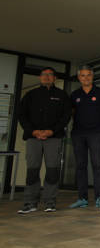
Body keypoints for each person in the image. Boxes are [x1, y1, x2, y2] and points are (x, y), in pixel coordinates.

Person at [17, 67, 71, 214]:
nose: (46, 77)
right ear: (40, 78)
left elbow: (66, 116)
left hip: (53, 137)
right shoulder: (30, 95)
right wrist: (33, 131)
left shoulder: (62, 95)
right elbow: (21, 115)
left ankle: (50, 202)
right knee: (32, 171)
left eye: (50, 75)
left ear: (55, 78)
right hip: (33, 138)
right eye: (43, 75)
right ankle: (30, 203)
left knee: (52, 170)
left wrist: (51, 131)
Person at [69, 66, 100, 209]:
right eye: (83, 75)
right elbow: (72, 112)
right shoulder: (74, 94)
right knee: (80, 166)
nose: (86, 78)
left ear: (92, 77)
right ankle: (82, 198)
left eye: (88, 75)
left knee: (97, 165)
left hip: (96, 133)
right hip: (78, 134)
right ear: (79, 78)